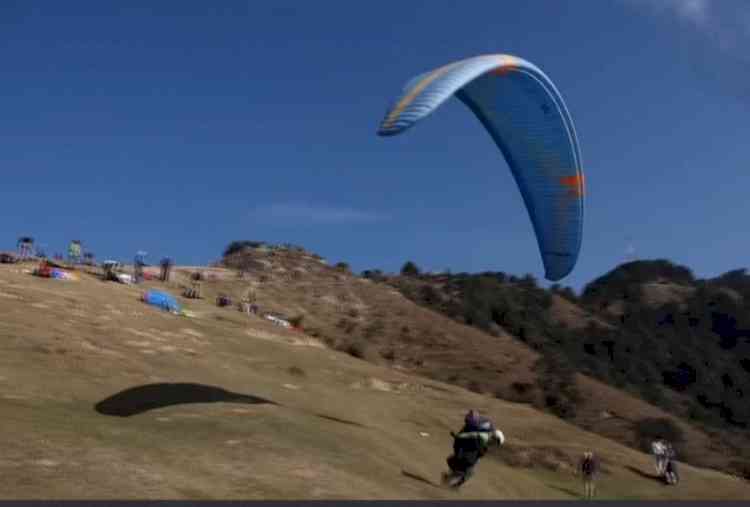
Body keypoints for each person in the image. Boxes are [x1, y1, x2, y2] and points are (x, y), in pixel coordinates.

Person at [441, 411, 504, 489]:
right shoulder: (484, 436)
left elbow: (480, 453)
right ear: (494, 437)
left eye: (497, 443)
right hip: (466, 454)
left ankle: (452, 483)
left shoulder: (487, 441)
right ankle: (450, 481)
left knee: (467, 473)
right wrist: (458, 436)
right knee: (462, 470)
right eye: (496, 441)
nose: (495, 444)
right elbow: (470, 435)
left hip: (471, 458)